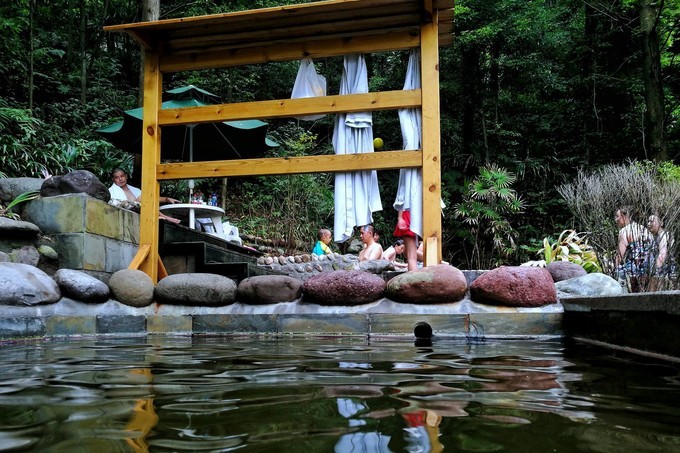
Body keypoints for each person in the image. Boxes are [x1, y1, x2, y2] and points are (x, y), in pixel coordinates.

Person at [108, 168, 181, 223]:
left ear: (126, 176)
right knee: (142, 198)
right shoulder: (111, 191)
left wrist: (166, 199)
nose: (120, 179)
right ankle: (166, 217)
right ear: (113, 180)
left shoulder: (135, 190)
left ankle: (161, 216)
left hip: (144, 214)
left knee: (145, 197)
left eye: (122, 176)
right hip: (127, 217)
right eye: (117, 177)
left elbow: (149, 200)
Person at [614, 206, 649, 291]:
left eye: (617, 216)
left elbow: (620, 255)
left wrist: (613, 270)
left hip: (633, 272)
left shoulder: (624, 231)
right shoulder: (644, 229)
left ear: (624, 216)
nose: (616, 220)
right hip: (648, 270)